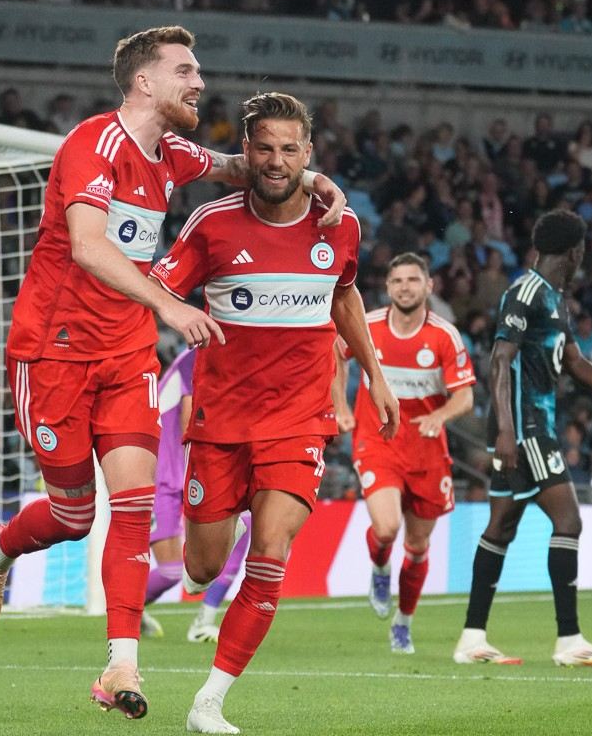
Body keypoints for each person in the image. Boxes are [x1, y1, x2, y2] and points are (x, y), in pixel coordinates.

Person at [0, 26, 347, 721]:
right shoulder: (93, 146)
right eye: (184, 71)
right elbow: (85, 245)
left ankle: (120, 663)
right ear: (145, 82)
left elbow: (239, 167)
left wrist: (313, 177)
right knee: (75, 514)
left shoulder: (170, 153)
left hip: (125, 354)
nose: (198, 82)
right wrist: (167, 303)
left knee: (134, 509)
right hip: (53, 352)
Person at [149, 92, 399, 733]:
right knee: (202, 567)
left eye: (290, 149)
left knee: (271, 550)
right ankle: (212, 550)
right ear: (247, 151)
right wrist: (174, 314)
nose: (277, 160)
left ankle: (210, 702)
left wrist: (376, 375)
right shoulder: (211, 224)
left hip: (300, 420)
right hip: (221, 423)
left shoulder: (340, 226)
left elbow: (345, 298)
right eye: (265, 147)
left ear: (308, 154)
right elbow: (156, 291)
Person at [453, 211, 592, 667]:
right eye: (583, 250)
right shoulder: (526, 292)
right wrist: (508, 430)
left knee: (501, 527)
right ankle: (569, 640)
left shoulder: (554, 298)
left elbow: (574, 362)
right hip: (524, 427)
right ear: (574, 251)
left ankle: (471, 639)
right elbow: (498, 360)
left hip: (532, 426)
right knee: (568, 521)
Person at [330, 253, 475, 654]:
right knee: (388, 527)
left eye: (413, 280)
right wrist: (340, 404)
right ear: (388, 287)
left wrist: (441, 415)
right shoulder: (369, 325)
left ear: (429, 286)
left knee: (418, 545)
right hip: (377, 440)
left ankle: (404, 621)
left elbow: (464, 396)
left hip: (427, 449)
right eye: (397, 281)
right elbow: (334, 353)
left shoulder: (445, 336)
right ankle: (379, 567)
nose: (405, 287)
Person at [139, 347, 251, 643]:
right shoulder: (197, 358)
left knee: (245, 522)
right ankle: (128, 613)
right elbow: (192, 424)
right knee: (173, 571)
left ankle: (204, 620)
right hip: (158, 473)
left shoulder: (237, 362)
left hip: (188, 472)